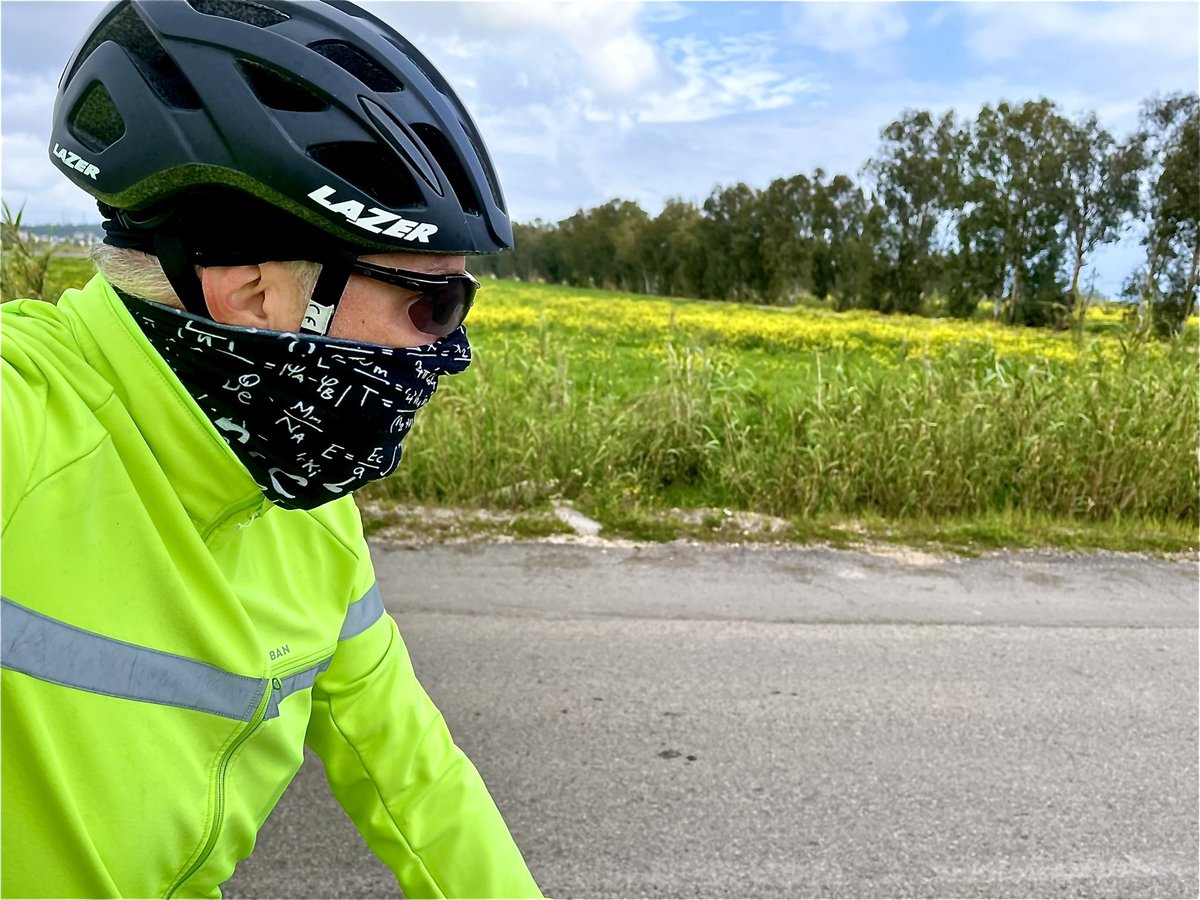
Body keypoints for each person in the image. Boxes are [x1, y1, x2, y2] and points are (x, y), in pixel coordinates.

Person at [0, 1, 541, 897]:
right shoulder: (28, 426)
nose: (452, 352)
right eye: (432, 306)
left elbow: (414, 778)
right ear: (255, 292)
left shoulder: (305, 502)